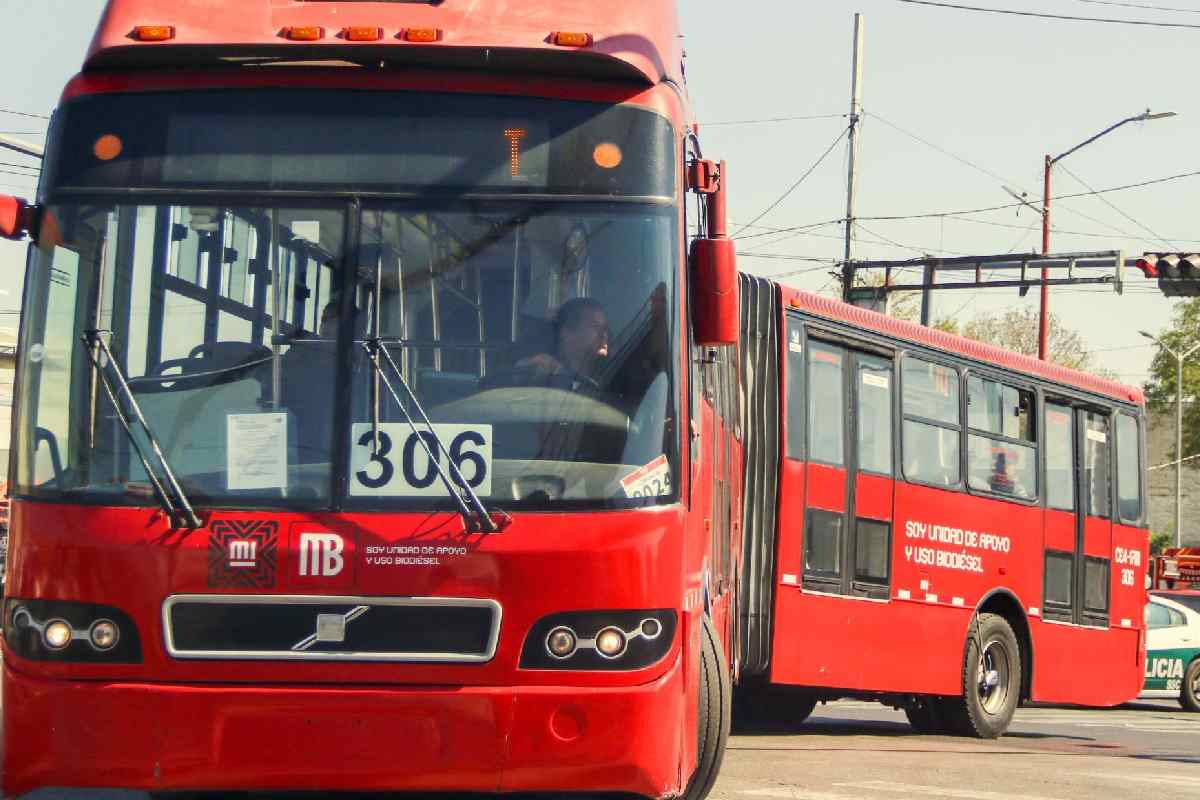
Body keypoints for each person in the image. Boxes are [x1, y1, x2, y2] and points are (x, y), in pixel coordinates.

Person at [512, 297, 610, 391]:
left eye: (605, 329)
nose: (603, 335)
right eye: (595, 326)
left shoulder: (612, 375)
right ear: (567, 333)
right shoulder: (543, 371)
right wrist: (527, 370)